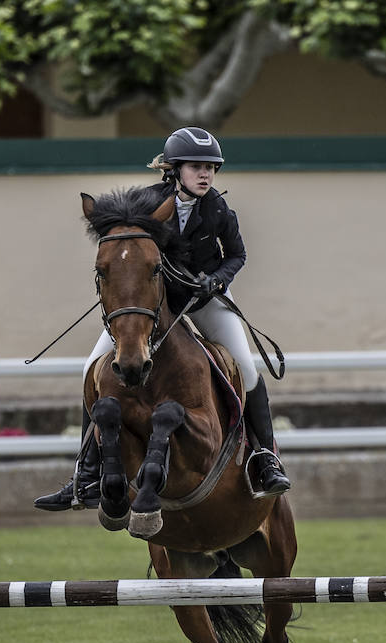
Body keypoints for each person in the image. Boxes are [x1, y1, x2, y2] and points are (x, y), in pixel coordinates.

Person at [35, 126, 291, 511]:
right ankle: (85, 474)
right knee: (92, 367)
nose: (205, 175)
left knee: (247, 367)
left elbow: (236, 255)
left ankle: (264, 458)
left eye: (211, 168)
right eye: (196, 167)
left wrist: (216, 280)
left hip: (203, 299)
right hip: (152, 304)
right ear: (174, 169)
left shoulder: (219, 209)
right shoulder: (146, 204)